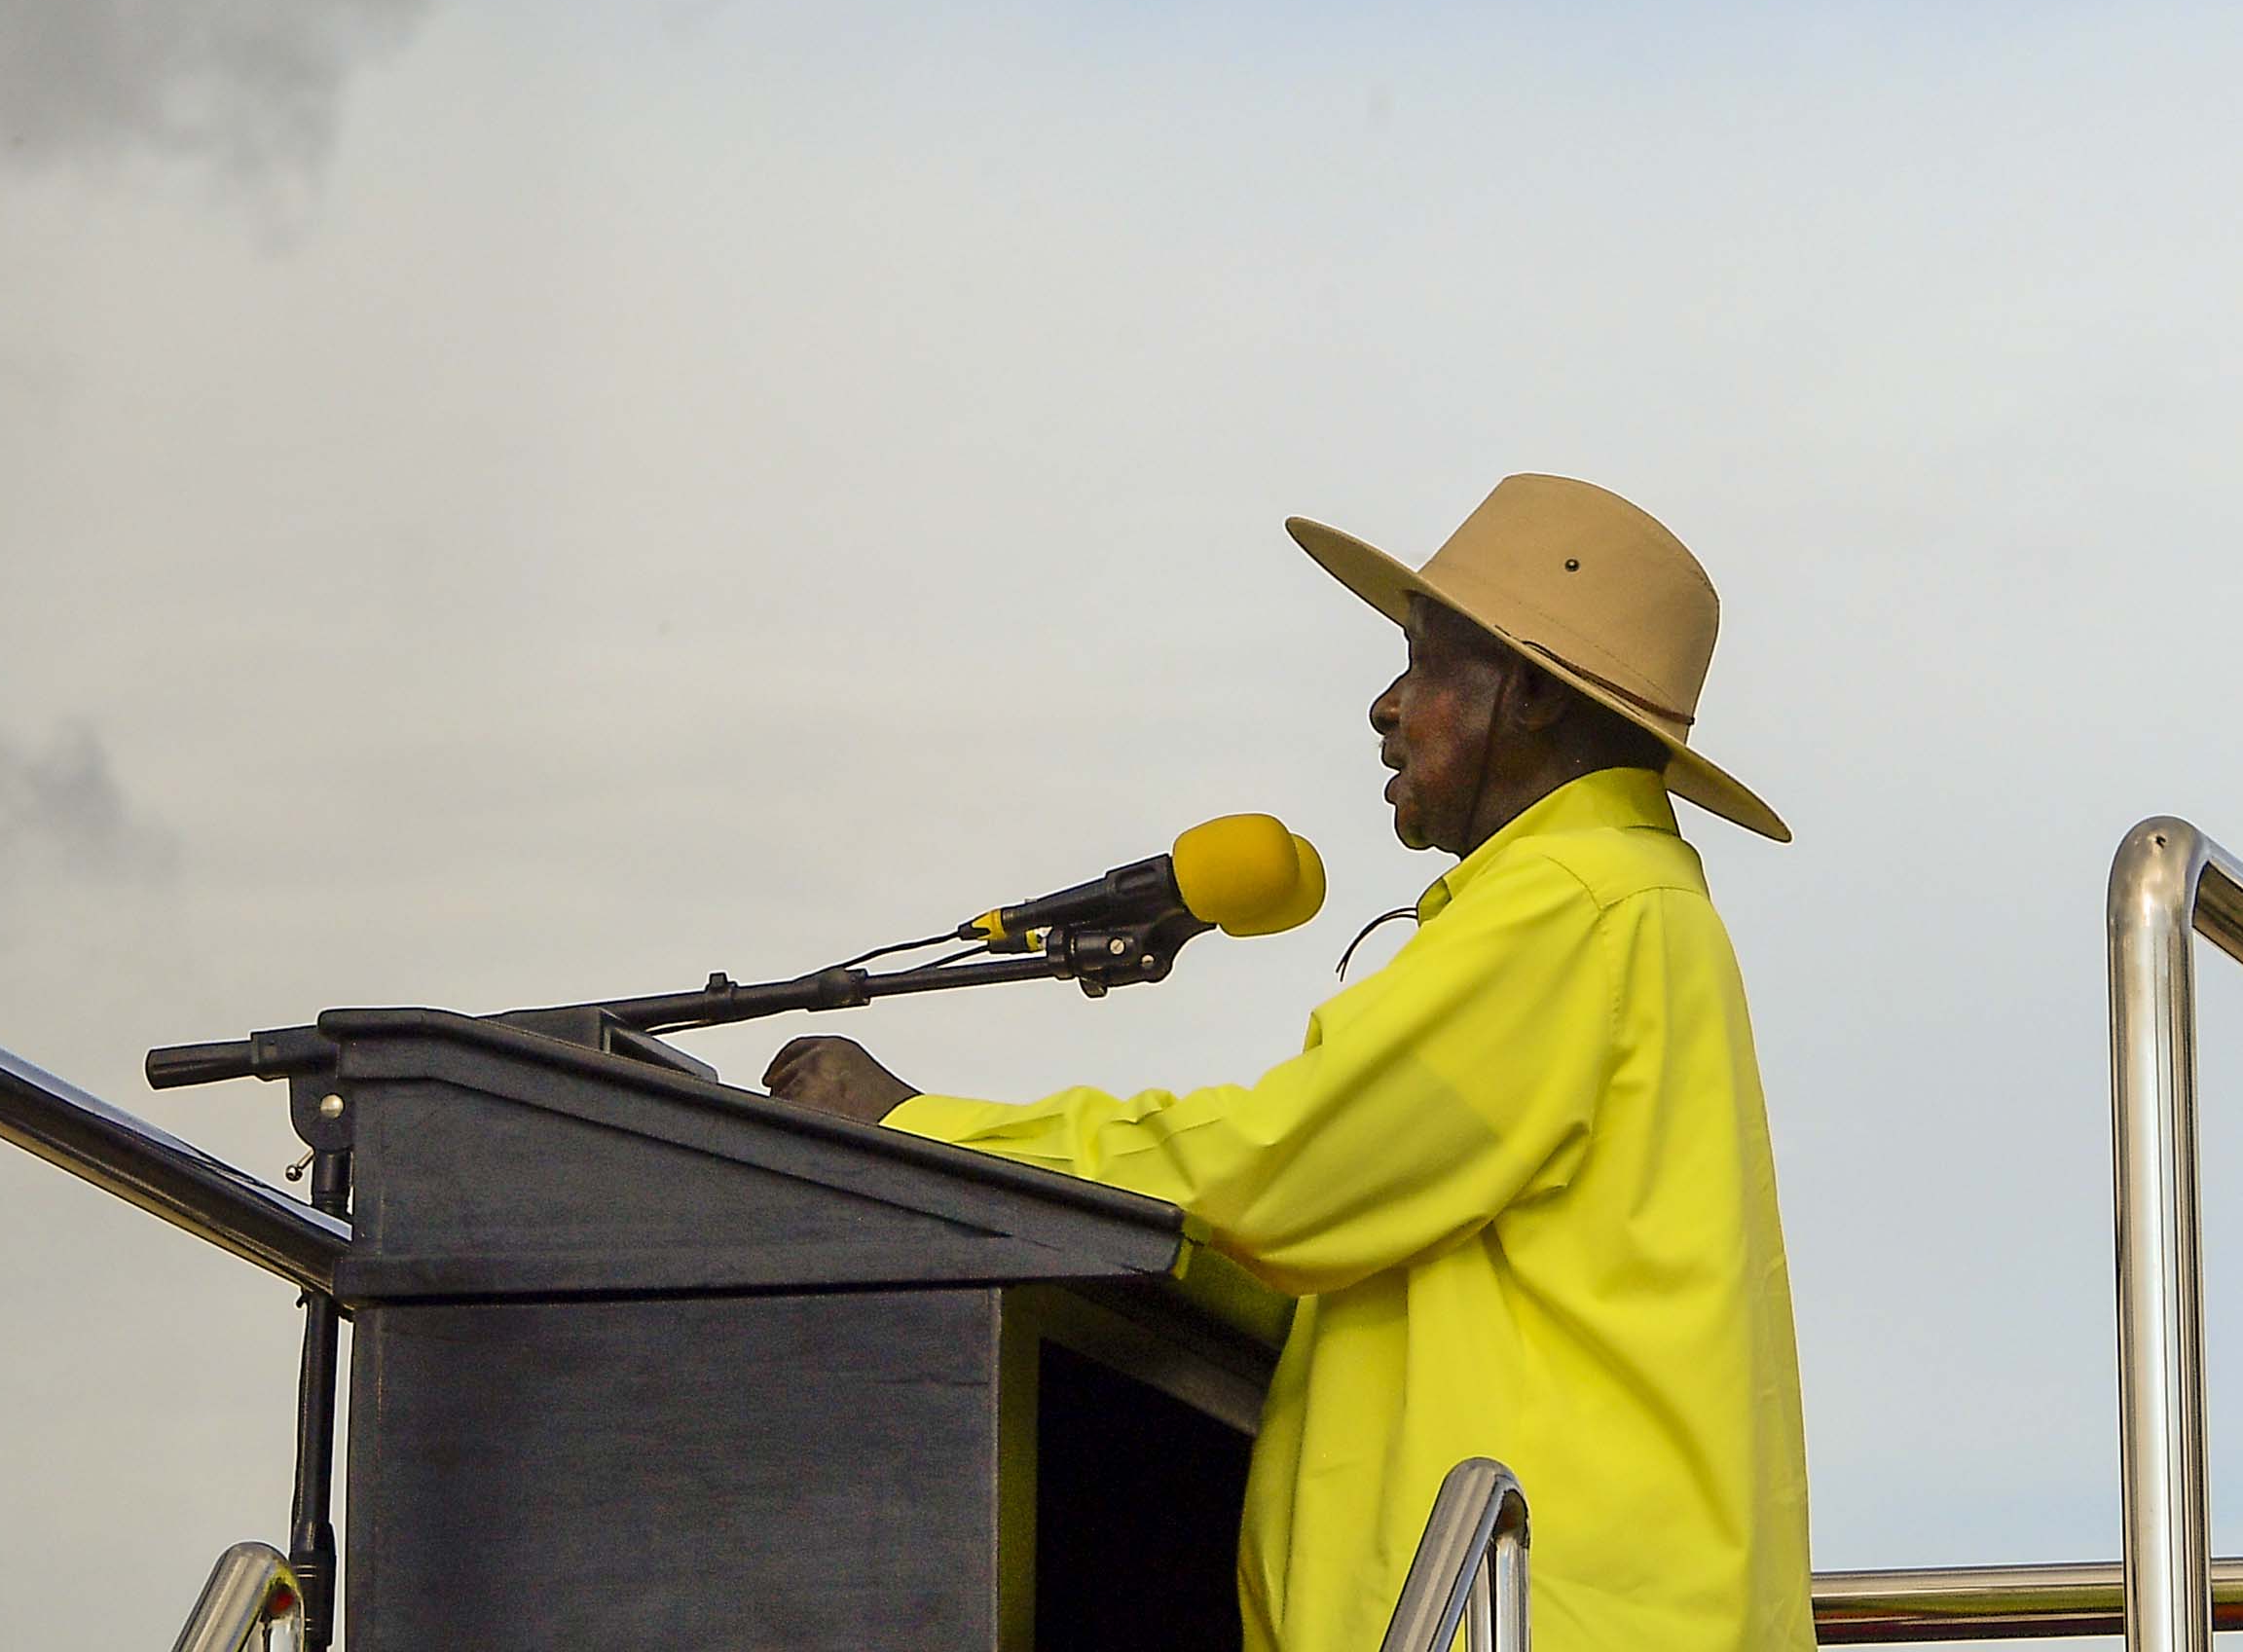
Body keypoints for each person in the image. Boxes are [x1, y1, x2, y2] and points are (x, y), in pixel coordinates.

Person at [767, 475, 1811, 1652]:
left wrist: (915, 1130)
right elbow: (1304, 1240)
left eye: (1422, 663)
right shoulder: (1630, 905)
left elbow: (1277, 1173)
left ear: (1524, 692)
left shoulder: (1571, 904)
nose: (1384, 704)